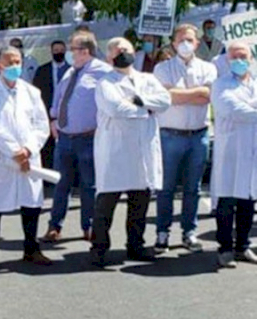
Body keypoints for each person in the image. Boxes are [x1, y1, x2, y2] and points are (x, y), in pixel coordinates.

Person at [89, 38, 171, 267]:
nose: (123, 52)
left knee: (140, 202)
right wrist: (148, 110)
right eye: (118, 50)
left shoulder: (148, 79)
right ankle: (99, 248)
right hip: (115, 149)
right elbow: (116, 108)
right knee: (106, 203)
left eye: (126, 49)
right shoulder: (106, 82)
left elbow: (165, 101)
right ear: (109, 57)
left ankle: (135, 245)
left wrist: (139, 101)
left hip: (143, 148)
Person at [0, 47, 51, 270]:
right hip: (3, 157)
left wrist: (29, 149)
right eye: (9, 62)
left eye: (18, 61)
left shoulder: (32, 92)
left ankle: (31, 249)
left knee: (31, 204)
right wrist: (14, 151)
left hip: (29, 157)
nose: (14, 66)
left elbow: (41, 125)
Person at [152, 24, 217, 253]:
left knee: (193, 188)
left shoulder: (208, 68)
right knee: (166, 187)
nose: (185, 44)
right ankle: (162, 233)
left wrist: (181, 94)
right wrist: (195, 92)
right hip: (169, 134)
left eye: (189, 39)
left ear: (197, 43)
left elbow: (208, 97)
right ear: (173, 43)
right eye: (180, 40)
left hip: (199, 135)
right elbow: (167, 97)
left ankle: (189, 232)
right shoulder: (162, 68)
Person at [44, 30, 112, 242]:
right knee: (60, 183)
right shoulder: (71, 71)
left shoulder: (103, 72)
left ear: (84, 50)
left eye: (73, 48)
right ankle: (55, 226)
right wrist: (53, 119)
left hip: (87, 137)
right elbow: (60, 96)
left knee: (88, 184)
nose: (69, 52)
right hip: (64, 137)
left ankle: (88, 226)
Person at [210, 42, 257, 268]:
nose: (239, 60)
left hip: (252, 151)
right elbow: (231, 109)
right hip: (230, 150)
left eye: (243, 56)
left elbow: (244, 111)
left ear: (251, 58)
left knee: (248, 201)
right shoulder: (220, 85)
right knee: (227, 202)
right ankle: (225, 248)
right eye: (235, 57)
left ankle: (243, 246)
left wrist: (249, 109)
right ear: (228, 61)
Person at [32, 40, 69, 170]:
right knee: (47, 145)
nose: (58, 53)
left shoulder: (72, 70)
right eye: (56, 50)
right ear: (51, 52)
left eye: (61, 50)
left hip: (67, 113)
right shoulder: (42, 70)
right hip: (47, 112)